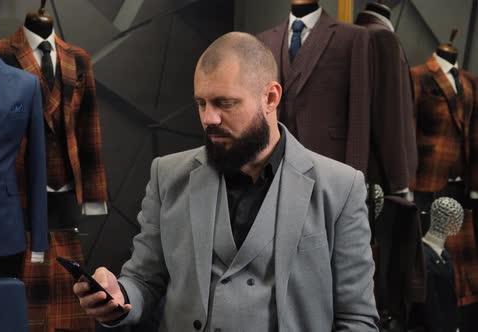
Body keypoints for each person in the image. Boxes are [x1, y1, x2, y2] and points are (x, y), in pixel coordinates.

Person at [73, 32, 379, 331]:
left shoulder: (340, 188)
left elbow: (357, 318)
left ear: (270, 97)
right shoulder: (166, 176)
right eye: (202, 103)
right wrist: (118, 298)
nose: (209, 119)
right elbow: (144, 281)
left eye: (225, 103)